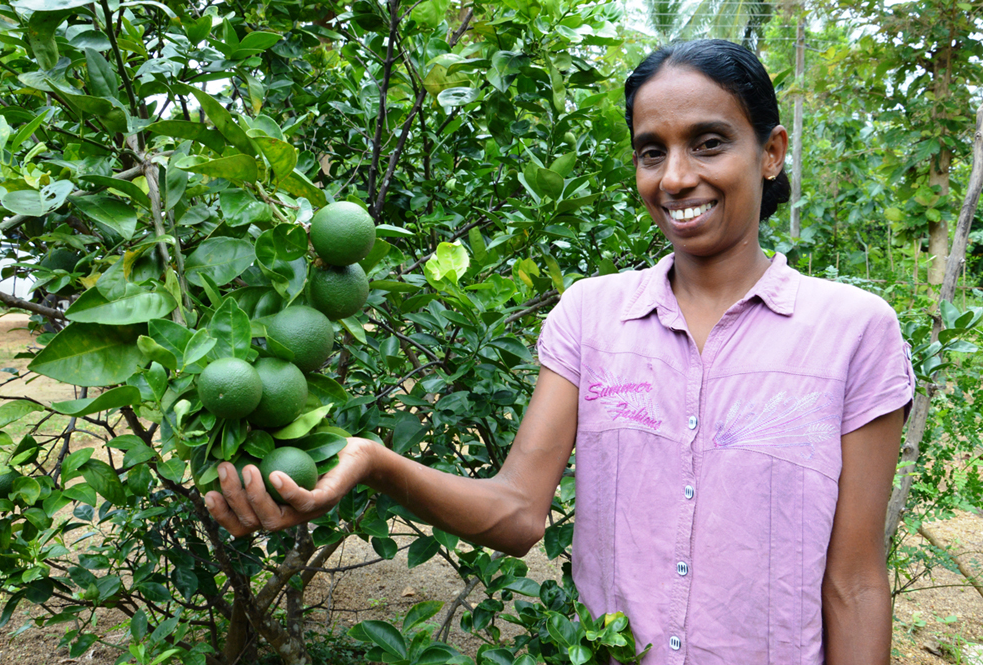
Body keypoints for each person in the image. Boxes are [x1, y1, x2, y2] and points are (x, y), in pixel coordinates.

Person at [205, 39, 914, 664]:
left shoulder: (853, 330)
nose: (673, 177)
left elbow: (853, 582)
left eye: (707, 142)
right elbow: (517, 511)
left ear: (770, 151)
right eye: (650, 150)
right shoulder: (592, 315)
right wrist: (372, 462)